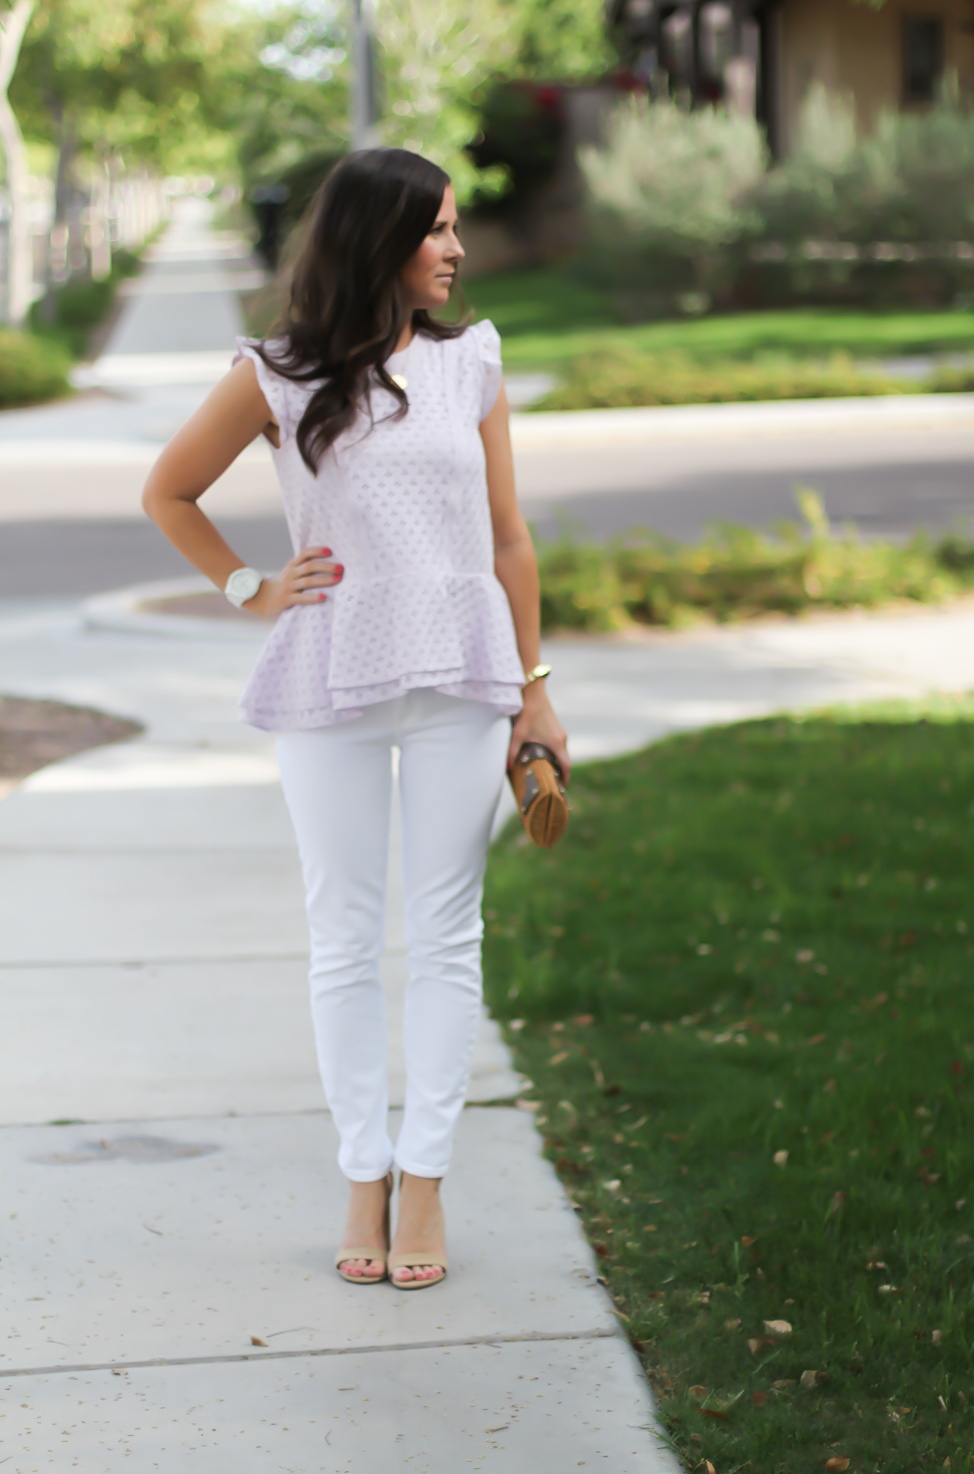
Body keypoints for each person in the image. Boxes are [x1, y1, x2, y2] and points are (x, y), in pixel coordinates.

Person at [142, 148, 569, 1291]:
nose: (456, 248)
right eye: (436, 228)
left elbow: (508, 537)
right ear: (377, 238)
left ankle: (422, 1179)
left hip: (462, 684)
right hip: (326, 680)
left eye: (456, 228)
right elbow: (168, 490)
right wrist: (253, 588)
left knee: (443, 934)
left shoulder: (470, 362)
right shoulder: (275, 373)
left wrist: (534, 686)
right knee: (342, 935)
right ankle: (359, 1170)